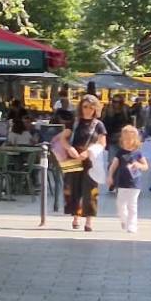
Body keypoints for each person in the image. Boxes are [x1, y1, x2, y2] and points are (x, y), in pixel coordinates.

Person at [56, 95, 99, 231]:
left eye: (91, 107)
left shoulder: (98, 125)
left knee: (90, 190)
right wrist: (70, 148)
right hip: (72, 158)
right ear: (80, 107)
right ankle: (76, 217)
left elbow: (102, 142)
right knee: (73, 189)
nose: (88, 110)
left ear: (95, 109)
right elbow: (63, 138)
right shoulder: (74, 122)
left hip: (91, 161)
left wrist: (89, 152)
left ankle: (89, 221)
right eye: (85, 106)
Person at [108, 123, 149, 233]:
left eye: (129, 139)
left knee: (132, 205)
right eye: (125, 139)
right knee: (120, 204)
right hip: (122, 183)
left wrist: (139, 165)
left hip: (135, 183)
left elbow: (146, 166)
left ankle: (132, 225)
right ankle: (124, 220)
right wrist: (110, 176)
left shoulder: (138, 153)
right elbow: (114, 165)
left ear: (135, 140)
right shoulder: (120, 152)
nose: (127, 141)